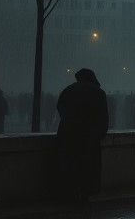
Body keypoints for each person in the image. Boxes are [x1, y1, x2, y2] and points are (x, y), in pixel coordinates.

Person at [56, 68, 109, 204]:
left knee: (71, 164)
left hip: (68, 135)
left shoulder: (68, 90)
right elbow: (103, 117)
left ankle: (71, 192)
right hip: (89, 136)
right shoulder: (98, 93)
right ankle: (85, 193)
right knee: (87, 166)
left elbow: (60, 107)